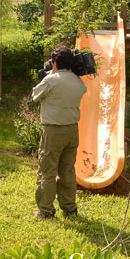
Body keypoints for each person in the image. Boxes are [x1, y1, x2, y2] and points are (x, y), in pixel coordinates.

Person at [31, 46, 87, 219]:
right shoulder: (79, 82)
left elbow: (35, 95)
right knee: (67, 171)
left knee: (47, 171)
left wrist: (48, 76)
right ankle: (70, 209)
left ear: (54, 62)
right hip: (72, 130)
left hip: (53, 131)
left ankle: (46, 210)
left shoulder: (51, 80)